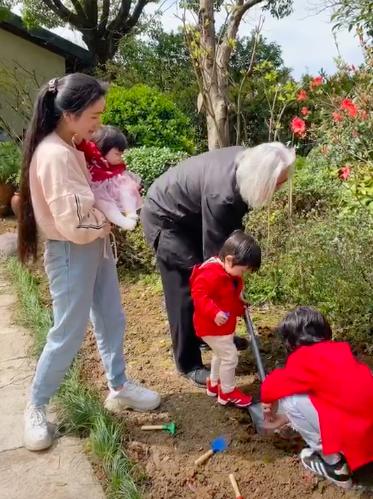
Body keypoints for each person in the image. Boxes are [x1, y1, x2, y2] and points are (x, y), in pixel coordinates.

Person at [18, 73, 160, 452]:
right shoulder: (55, 155)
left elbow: (93, 198)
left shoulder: (74, 146)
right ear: (70, 113)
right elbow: (76, 221)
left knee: (111, 316)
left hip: (94, 246)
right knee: (68, 331)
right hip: (71, 248)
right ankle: (36, 404)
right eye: (94, 116)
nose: (99, 125)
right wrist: (115, 215)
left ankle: (118, 386)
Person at [141, 142, 295, 386]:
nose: (281, 187)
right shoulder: (222, 195)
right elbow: (218, 259)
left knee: (219, 281)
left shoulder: (248, 165)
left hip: (193, 215)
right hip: (166, 219)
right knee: (190, 285)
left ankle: (212, 335)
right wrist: (234, 284)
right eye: (279, 183)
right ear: (263, 180)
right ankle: (188, 363)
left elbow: (230, 238)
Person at [261, 306, 373, 489]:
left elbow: (271, 386)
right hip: (368, 431)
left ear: (290, 341)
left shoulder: (303, 359)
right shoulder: (341, 351)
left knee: (290, 398)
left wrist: (268, 411)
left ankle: (334, 465)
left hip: (354, 437)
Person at [190, 230, 261, 407]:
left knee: (220, 355)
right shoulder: (210, 273)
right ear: (229, 260)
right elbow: (199, 295)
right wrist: (214, 312)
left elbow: (229, 297)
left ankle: (214, 385)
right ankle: (228, 392)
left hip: (222, 328)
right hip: (212, 327)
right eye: (243, 270)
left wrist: (239, 306)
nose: (242, 274)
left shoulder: (228, 273)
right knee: (230, 357)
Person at [76, 125, 142, 231]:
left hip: (117, 183)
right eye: (117, 154)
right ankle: (120, 220)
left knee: (128, 191)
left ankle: (131, 214)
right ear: (102, 148)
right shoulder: (93, 153)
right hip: (99, 187)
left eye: (122, 154)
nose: (120, 158)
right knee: (103, 203)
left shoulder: (118, 166)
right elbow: (81, 143)